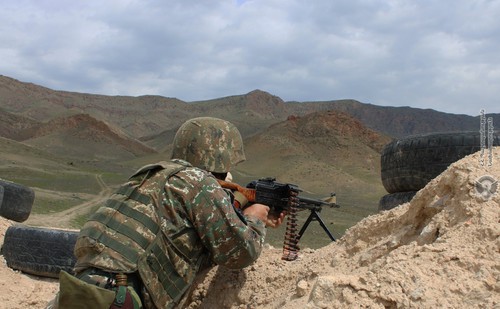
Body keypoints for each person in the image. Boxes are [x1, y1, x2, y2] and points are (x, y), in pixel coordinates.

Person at [47, 117, 285, 309]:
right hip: (120, 299)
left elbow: (185, 237)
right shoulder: (199, 181)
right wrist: (255, 218)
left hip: (78, 291)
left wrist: (238, 212)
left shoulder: (151, 174)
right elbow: (242, 254)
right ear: (220, 157)